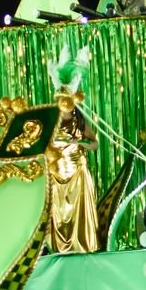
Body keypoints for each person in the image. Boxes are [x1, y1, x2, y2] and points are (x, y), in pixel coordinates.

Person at [47, 88, 99, 253]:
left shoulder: (80, 121)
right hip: (56, 175)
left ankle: (82, 246)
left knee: (79, 213)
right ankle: (59, 249)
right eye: (60, 99)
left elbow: (94, 145)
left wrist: (79, 141)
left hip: (77, 173)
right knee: (58, 213)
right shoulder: (50, 122)